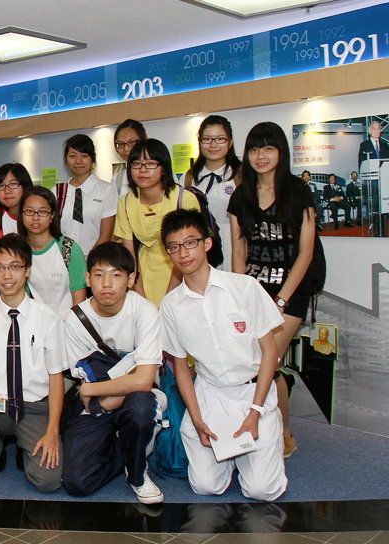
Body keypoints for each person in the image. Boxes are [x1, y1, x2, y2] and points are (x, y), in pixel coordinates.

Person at [159, 208, 287, 502]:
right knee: (206, 486)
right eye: (174, 247)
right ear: (168, 253)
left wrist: (255, 414)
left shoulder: (244, 287)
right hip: (209, 395)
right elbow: (180, 367)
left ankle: (260, 442)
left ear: (207, 243)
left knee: (261, 490)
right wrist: (197, 417)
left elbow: (270, 353)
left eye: (191, 242)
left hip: (252, 393)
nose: (183, 253)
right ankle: (232, 455)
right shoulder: (171, 305)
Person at [228, 121, 325, 458]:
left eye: (268, 148)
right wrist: (240, 295)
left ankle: (282, 431)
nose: (261, 155)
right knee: (261, 361)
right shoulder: (241, 195)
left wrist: (281, 299)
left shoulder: (298, 192)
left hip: (292, 291)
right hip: (254, 289)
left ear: (281, 152)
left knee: (263, 358)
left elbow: (306, 252)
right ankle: (268, 425)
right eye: (255, 148)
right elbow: (239, 251)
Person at [0, 234, 65, 491]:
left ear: (27, 271)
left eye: (15, 267)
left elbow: (56, 378)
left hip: (36, 408)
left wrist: (52, 430)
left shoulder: (48, 319)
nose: (7, 275)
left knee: (48, 482)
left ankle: (27, 446)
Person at [62, 241, 165, 504]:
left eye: (116, 275)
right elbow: (88, 384)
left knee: (140, 407)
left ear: (131, 279)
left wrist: (91, 391)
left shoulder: (144, 312)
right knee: (76, 482)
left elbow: (144, 381)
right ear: (87, 278)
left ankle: (137, 473)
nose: (107, 283)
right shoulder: (74, 320)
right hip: (100, 400)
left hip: (133, 397)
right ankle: (126, 450)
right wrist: (92, 393)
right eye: (99, 274)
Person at [115, 138, 200, 307]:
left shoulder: (184, 199)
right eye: (136, 164)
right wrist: (141, 297)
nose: (143, 170)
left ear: (163, 168)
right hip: (144, 273)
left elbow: (191, 249)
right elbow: (129, 251)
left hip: (183, 271)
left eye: (151, 164)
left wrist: (170, 295)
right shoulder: (125, 202)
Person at [183, 115, 241, 271]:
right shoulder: (189, 177)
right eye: (207, 139)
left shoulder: (240, 175)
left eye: (220, 139)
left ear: (230, 142)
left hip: (233, 244)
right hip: (199, 247)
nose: (213, 144)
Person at [17, 186, 87, 314]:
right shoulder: (18, 252)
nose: (35, 217)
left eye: (43, 212)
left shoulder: (69, 249)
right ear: (21, 214)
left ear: (52, 216)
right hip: (36, 324)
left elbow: (79, 300)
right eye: (29, 211)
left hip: (69, 324)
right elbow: (22, 298)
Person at [56, 134, 117, 254]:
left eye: (84, 156)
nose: (78, 161)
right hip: (62, 261)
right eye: (72, 156)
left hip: (94, 259)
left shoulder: (107, 190)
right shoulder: (57, 191)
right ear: (66, 159)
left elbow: (106, 235)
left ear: (93, 159)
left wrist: (90, 262)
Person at [0, 163, 34, 237]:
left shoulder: (37, 214)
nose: (7, 191)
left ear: (25, 186)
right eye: (1, 186)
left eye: (13, 184)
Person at [112, 119, 147, 198]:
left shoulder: (160, 172)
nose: (126, 149)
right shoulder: (117, 179)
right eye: (120, 144)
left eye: (131, 142)